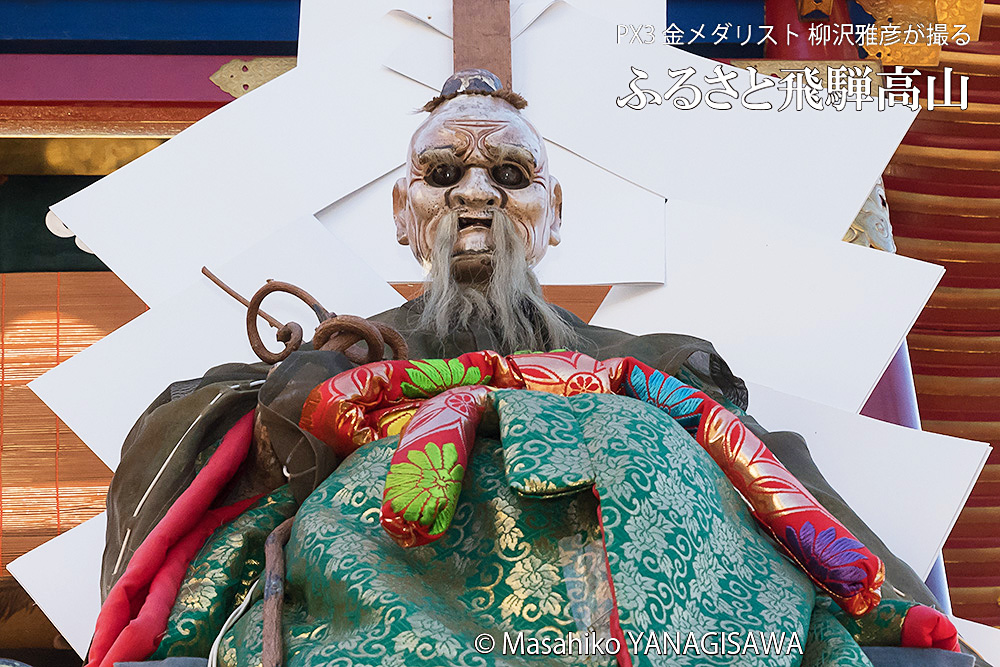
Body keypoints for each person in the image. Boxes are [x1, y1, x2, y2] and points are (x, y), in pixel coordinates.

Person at [90, 70, 985, 667]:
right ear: (404, 213)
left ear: (554, 212)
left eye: (511, 174)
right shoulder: (348, 359)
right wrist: (299, 394)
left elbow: (787, 499)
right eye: (444, 172)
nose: (476, 192)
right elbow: (205, 470)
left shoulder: (654, 364)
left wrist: (915, 627)